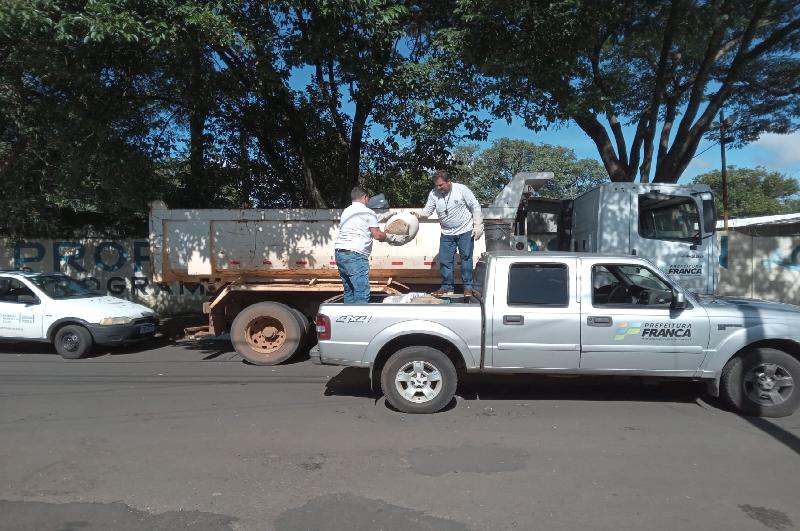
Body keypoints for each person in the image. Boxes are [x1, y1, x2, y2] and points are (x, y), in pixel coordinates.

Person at [415, 170, 483, 297]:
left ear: (449, 181)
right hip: (446, 233)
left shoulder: (462, 189)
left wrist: (478, 225)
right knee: (445, 260)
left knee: (466, 258)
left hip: (465, 231)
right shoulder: (434, 193)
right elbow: (428, 210)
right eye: (436, 185)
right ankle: (447, 287)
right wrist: (418, 215)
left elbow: (475, 206)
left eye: (441, 185)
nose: (438, 188)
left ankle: (467, 287)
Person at [335, 187, 401, 303]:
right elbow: (377, 235)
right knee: (361, 292)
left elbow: (361, 223)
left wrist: (382, 217)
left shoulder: (347, 211)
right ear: (365, 197)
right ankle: (359, 320)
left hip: (340, 254)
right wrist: (391, 237)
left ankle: (348, 318)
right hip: (355, 255)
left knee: (349, 291)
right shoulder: (368, 212)